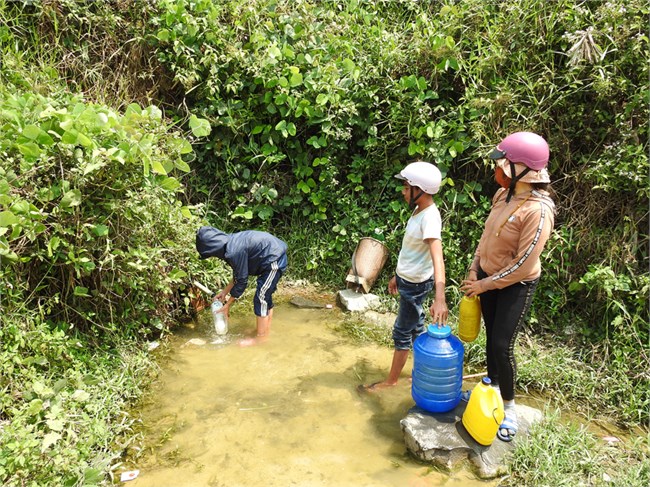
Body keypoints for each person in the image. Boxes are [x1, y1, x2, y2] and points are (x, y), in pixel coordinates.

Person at [460, 131, 556, 442]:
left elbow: (524, 264)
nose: (496, 171)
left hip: (516, 286)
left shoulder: (539, 211)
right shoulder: (503, 196)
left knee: (503, 344)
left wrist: (484, 284)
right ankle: (491, 390)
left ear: (523, 169)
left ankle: (510, 407)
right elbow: (486, 238)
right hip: (487, 280)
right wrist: (475, 270)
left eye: (502, 164)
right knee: (491, 338)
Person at [360, 161, 449, 392]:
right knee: (416, 328)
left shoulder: (430, 218)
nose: (403, 191)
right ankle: (419, 372)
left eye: (407, 187)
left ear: (420, 190)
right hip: (408, 281)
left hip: (417, 285)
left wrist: (440, 298)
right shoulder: (418, 211)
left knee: (402, 331)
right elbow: (411, 252)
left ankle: (391, 381)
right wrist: (397, 276)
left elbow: (437, 258)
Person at [195, 226, 288, 346]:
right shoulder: (230, 244)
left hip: (274, 259)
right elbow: (239, 274)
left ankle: (261, 338)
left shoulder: (233, 251)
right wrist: (225, 292)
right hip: (271, 255)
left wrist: (228, 304)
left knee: (261, 297)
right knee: (265, 296)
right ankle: (264, 330)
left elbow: (242, 281)